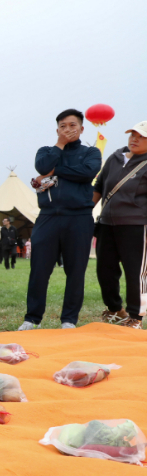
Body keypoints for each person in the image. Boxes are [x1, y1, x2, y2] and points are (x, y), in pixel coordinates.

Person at [20, 109, 101, 331]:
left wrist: (57, 170)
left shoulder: (91, 152)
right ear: (57, 130)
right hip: (47, 217)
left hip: (79, 217)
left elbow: (88, 173)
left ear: (81, 128)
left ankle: (69, 320)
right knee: (39, 269)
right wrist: (59, 146)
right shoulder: (46, 151)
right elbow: (43, 168)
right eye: (63, 126)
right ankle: (32, 318)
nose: (68, 130)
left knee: (75, 271)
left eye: (72, 125)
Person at [92, 121, 147, 329]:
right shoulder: (115, 157)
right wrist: (83, 212)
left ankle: (136, 317)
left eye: (141, 136)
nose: (135, 139)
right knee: (104, 270)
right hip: (106, 223)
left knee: (136, 273)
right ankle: (115, 309)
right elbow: (99, 186)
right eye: (133, 134)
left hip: (136, 225)